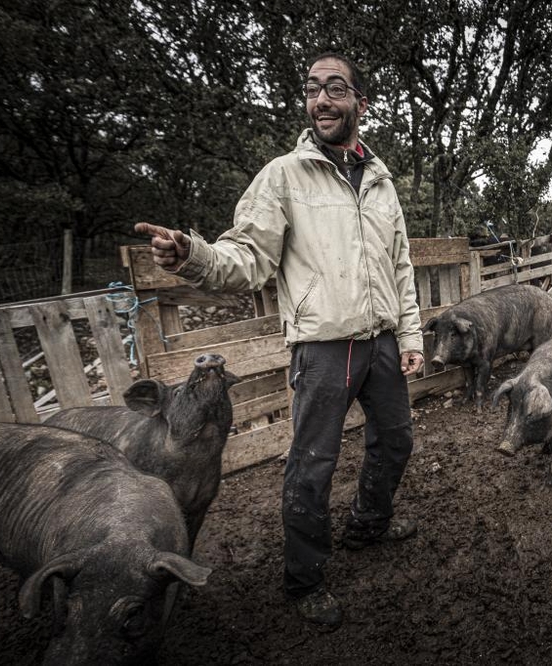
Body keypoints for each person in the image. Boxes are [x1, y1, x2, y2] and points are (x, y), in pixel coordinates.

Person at [135, 52, 424, 630]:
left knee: (395, 441)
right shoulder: (284, 176)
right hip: (322, 349)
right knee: (312, 465)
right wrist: (192, 255)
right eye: (313, 89)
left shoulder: (382, 179)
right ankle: (304, 579)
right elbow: (246, 256)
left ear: (359, 103)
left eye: (336, 88)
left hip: (383, 343)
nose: (322, 99)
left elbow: (400, 264)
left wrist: (409, 332)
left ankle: (368, 523)